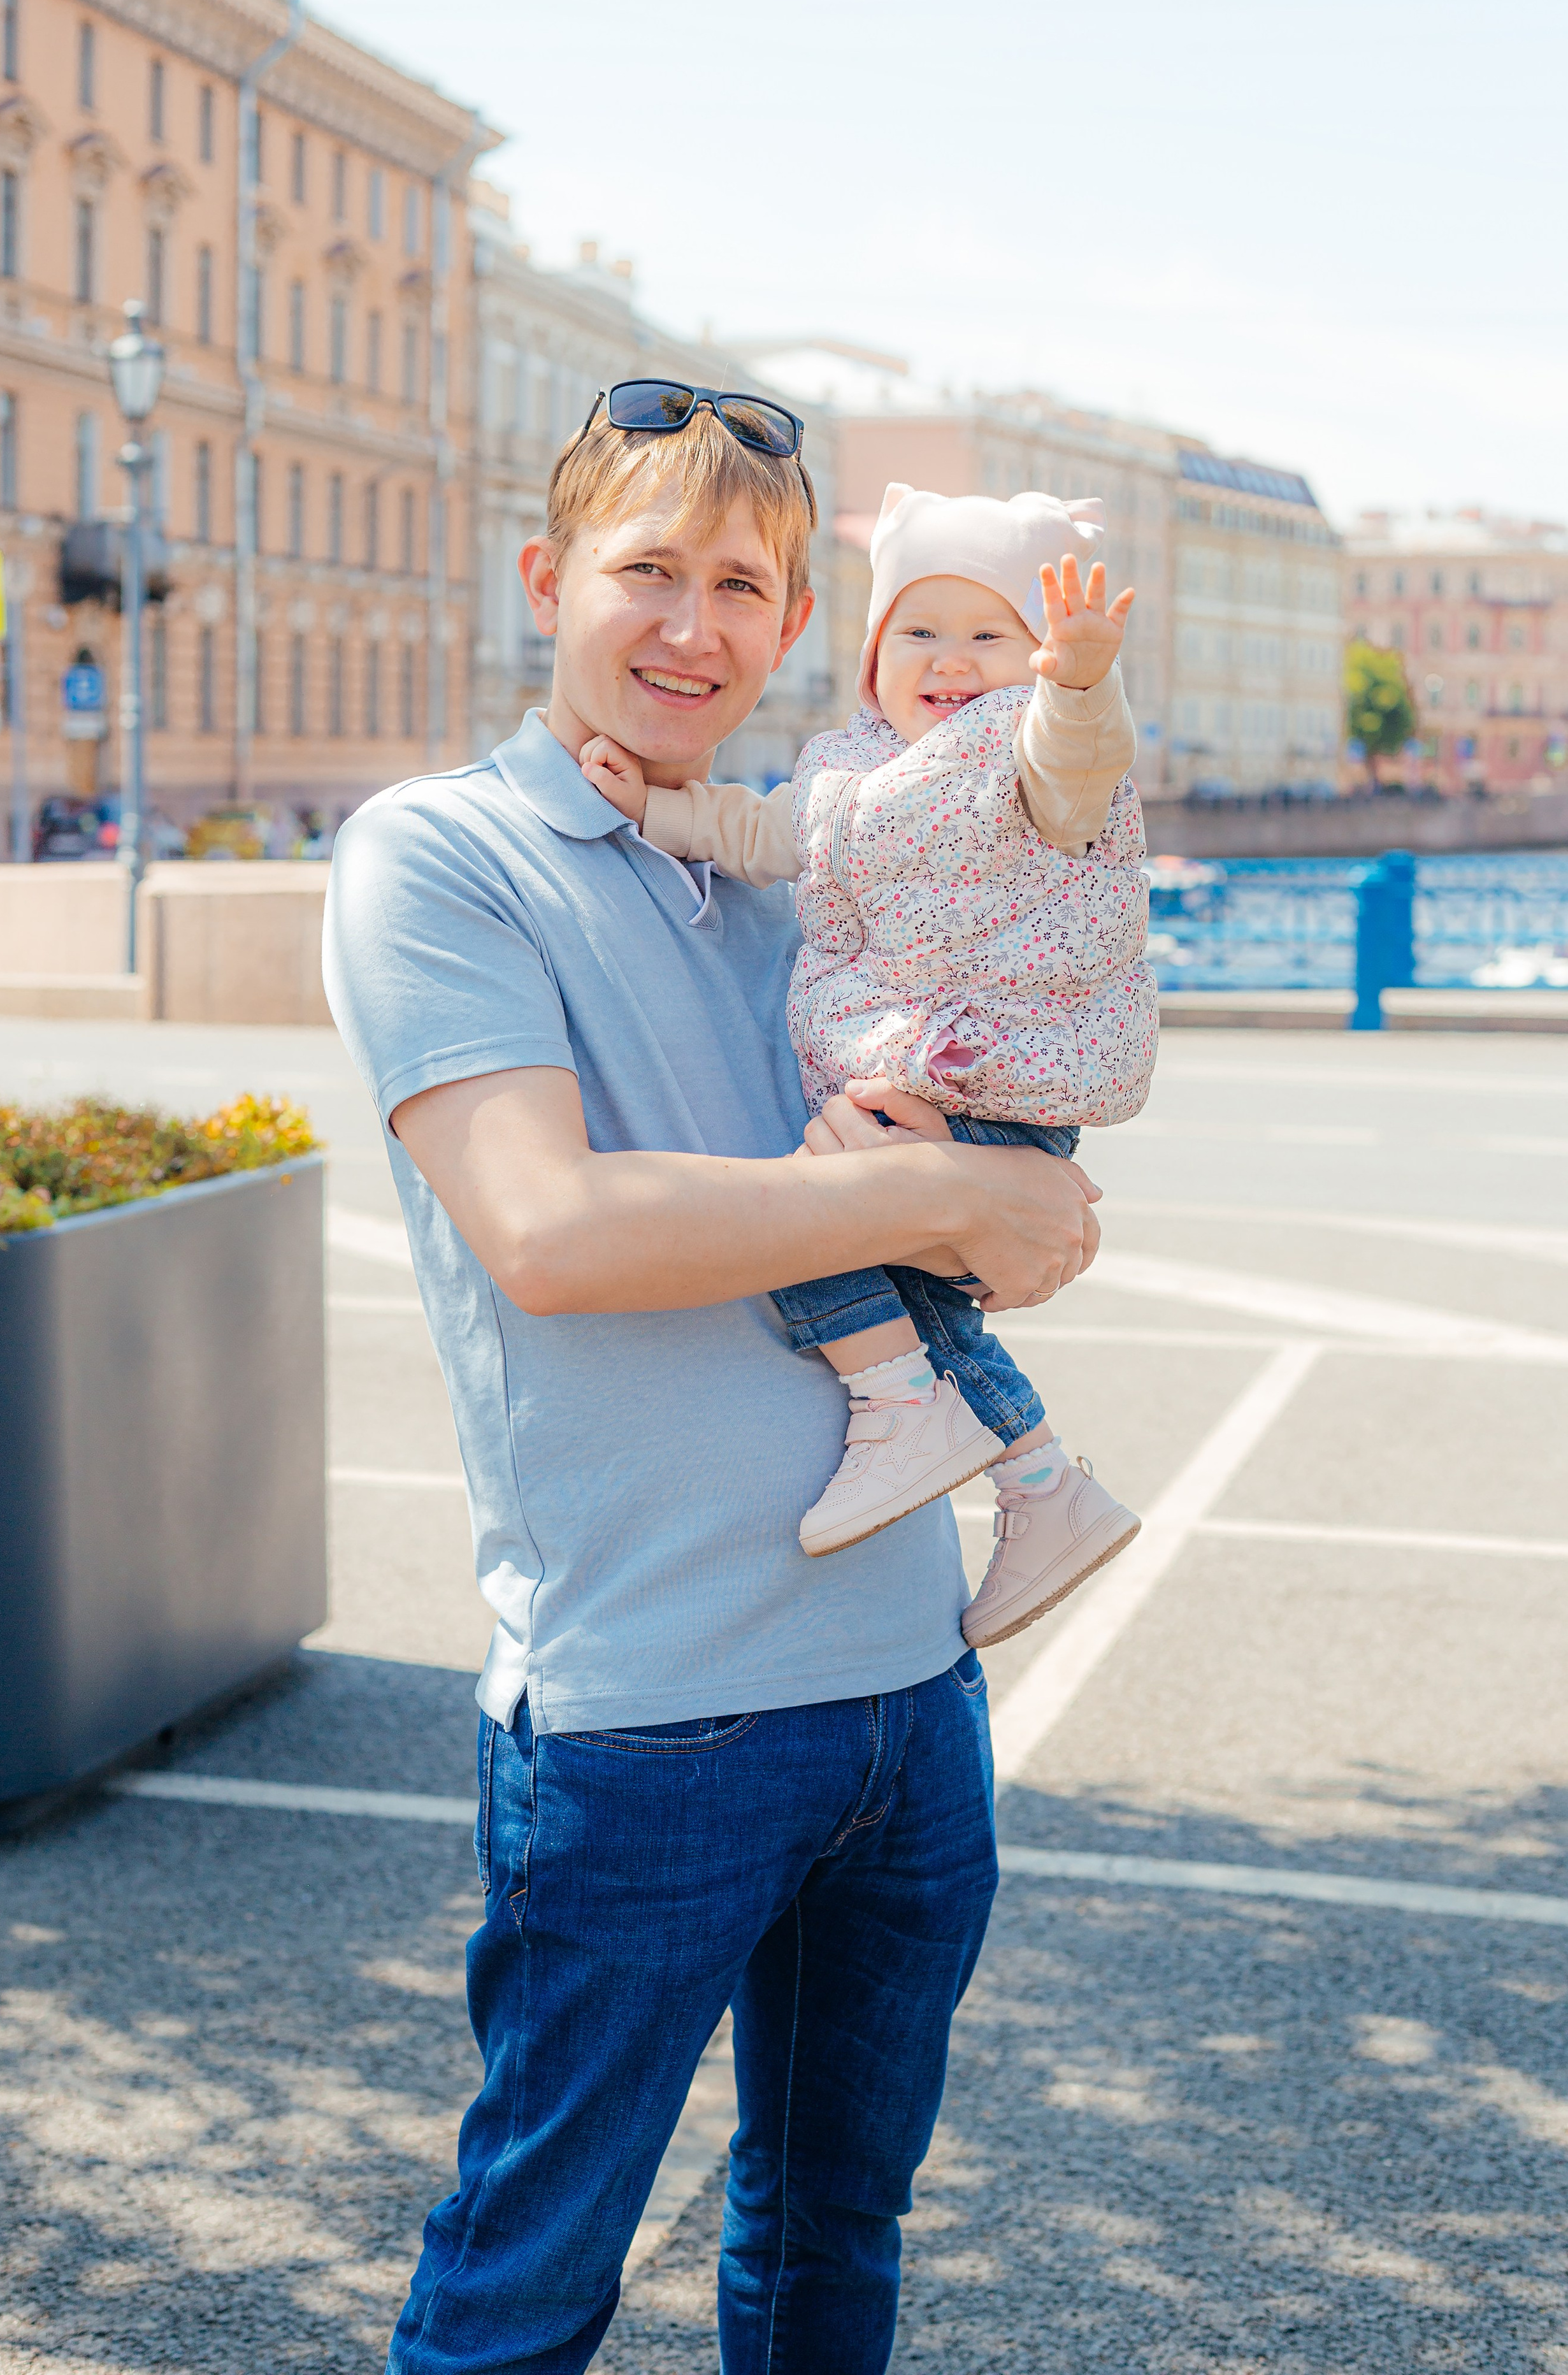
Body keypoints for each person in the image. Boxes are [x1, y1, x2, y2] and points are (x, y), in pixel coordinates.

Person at [322, 381, 1104, 2375]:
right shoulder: (444, 853)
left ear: (790, 631)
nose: (690, 625)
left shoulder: (810, 867)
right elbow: (554, 1232)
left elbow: (987, 1172)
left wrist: (982, 1187)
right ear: (547, 582)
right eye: (646, 571)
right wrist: (937, 1195)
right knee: (526, 2284)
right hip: (648, 1717)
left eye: (740, 585)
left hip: (907, 1695)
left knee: (833, 2240)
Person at [582, 482, 1156, 1644]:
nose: (950, 660)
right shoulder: (856, 778)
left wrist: (1080, 680)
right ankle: (1043, 1486)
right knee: (904, 1287)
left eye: (990, 634)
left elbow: (1076, 755)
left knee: (807, 1219)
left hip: (992, 1082)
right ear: (873, 653)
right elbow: (760, 834)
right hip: (923, 1086)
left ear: (1032, 655)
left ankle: (900, 1410)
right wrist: (656, 809)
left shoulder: (1028, 760)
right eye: (919, 631)